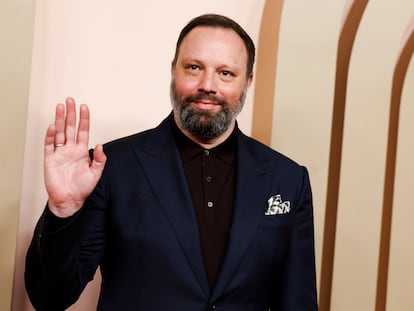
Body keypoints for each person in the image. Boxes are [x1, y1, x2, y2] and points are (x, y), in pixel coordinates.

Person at [25, 13, 318, 311]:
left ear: (248, 81)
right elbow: (50, 298)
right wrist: (63, 211)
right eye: (193, 68)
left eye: (226, 73)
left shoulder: (288, 180)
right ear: (173, 70)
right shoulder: (110, 167)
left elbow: (298, 302)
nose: (208, 85)